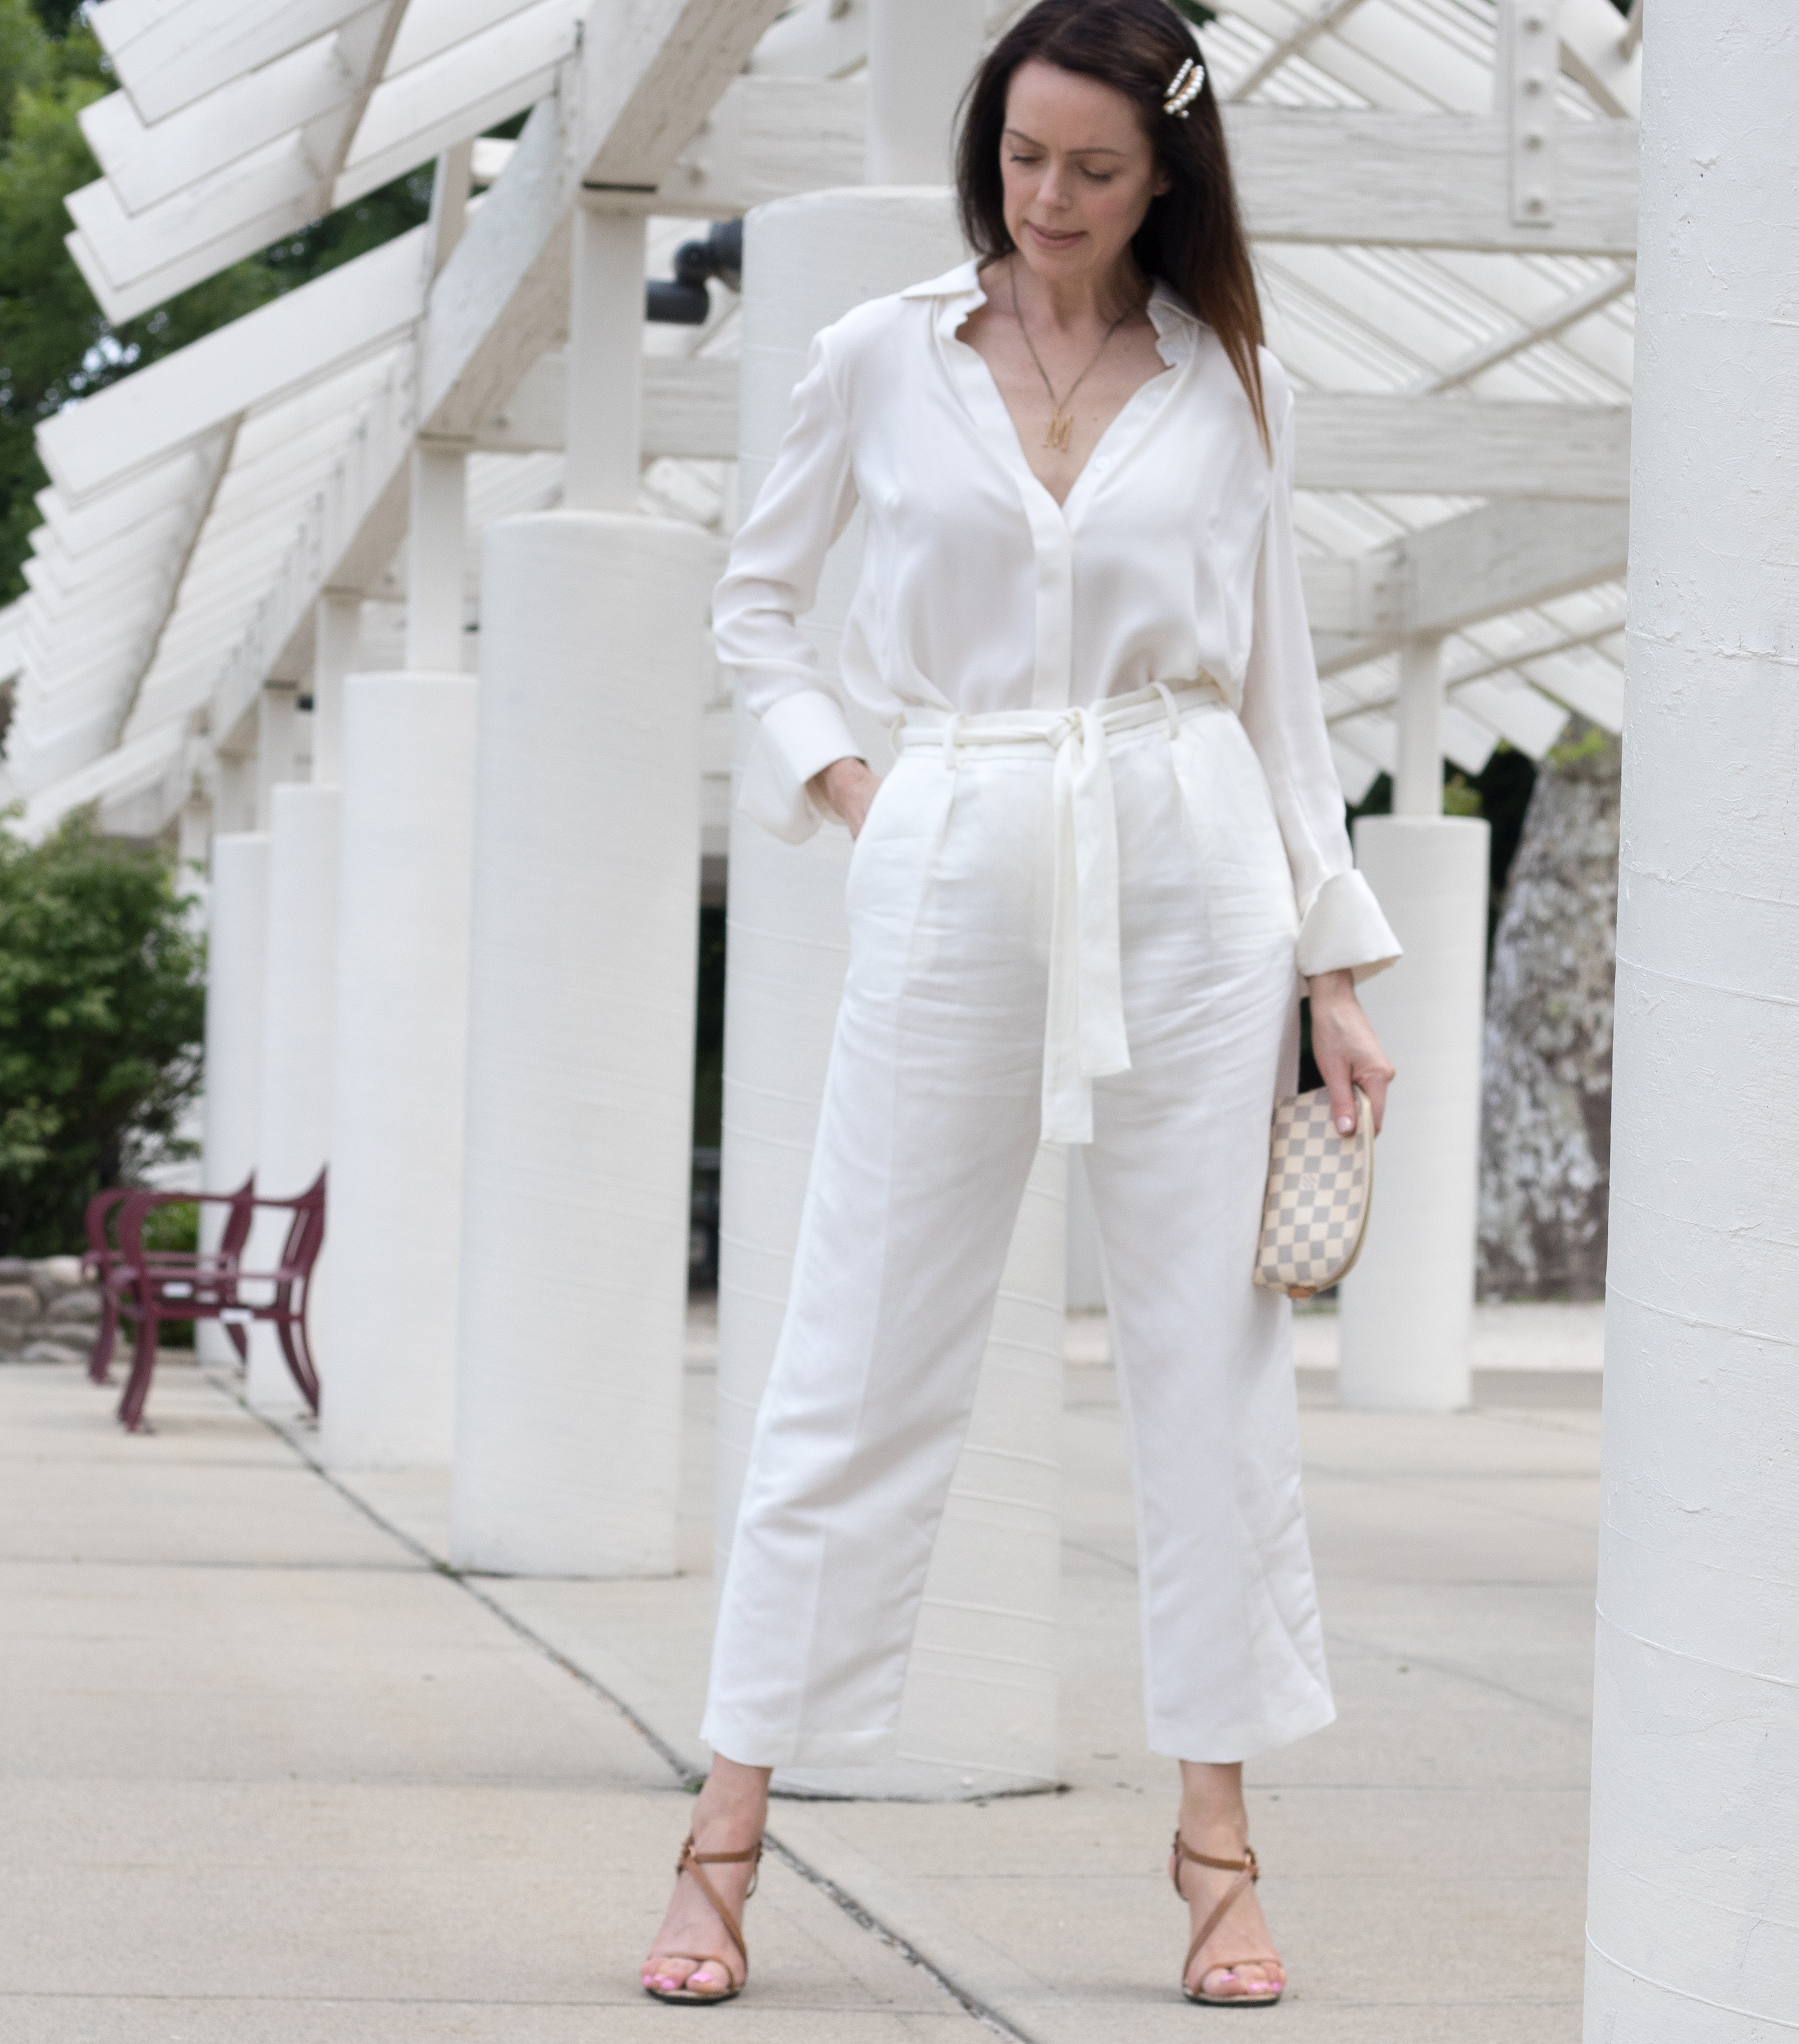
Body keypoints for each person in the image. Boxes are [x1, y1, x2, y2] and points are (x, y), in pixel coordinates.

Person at [639, 0, 1399, 2008]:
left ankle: (1218, 1850)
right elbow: (756, 604)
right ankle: (723, 1837)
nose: (1041, 199)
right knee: (856, 1345)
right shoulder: (877, 358)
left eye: (1090, 169)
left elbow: (1279, 690)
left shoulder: (1232, 382)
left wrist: (1337, 955)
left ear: (1168, 180)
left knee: (1202, 1368)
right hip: (956, 838)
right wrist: (858, 790)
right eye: (1021, 155)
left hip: (1192, 860)